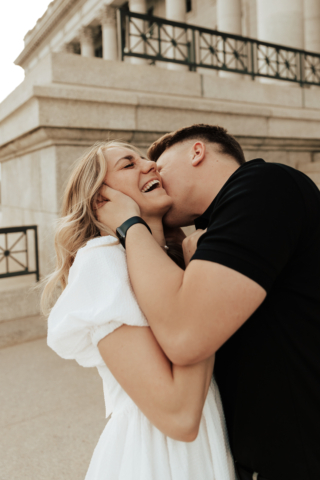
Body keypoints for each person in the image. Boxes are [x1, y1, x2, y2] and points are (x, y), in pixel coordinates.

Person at [97, 125, 320, 480]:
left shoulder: (263, 185)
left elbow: (187, 335)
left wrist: (130, 225)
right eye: (133, 164)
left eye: (157, 163)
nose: (151, 170)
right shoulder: (211, 227)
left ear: (196, 152)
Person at [44, 141, 236, 480]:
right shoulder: (102, 263)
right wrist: (197, 280)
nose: (152, 166)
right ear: (102, 199)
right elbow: (179, 415)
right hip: (158, 457)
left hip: (206, 445)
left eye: (145, 159)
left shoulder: (171, 257)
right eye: (128, 164)